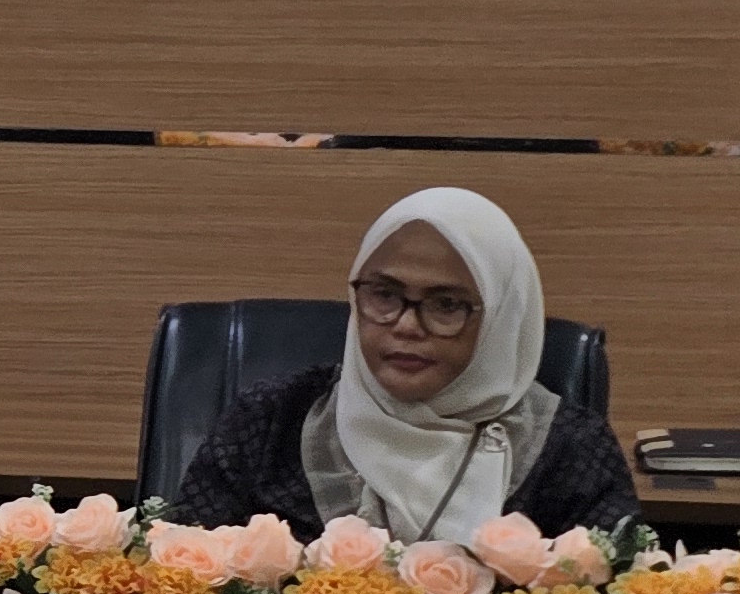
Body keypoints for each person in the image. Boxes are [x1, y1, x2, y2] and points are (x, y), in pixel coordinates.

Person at [174, 184, 636, 539]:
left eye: (446, 304)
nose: (407, 326)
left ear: (500, 318)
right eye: (385, 295)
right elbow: (176, 583)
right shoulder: (271, 423)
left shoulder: (571, 451)